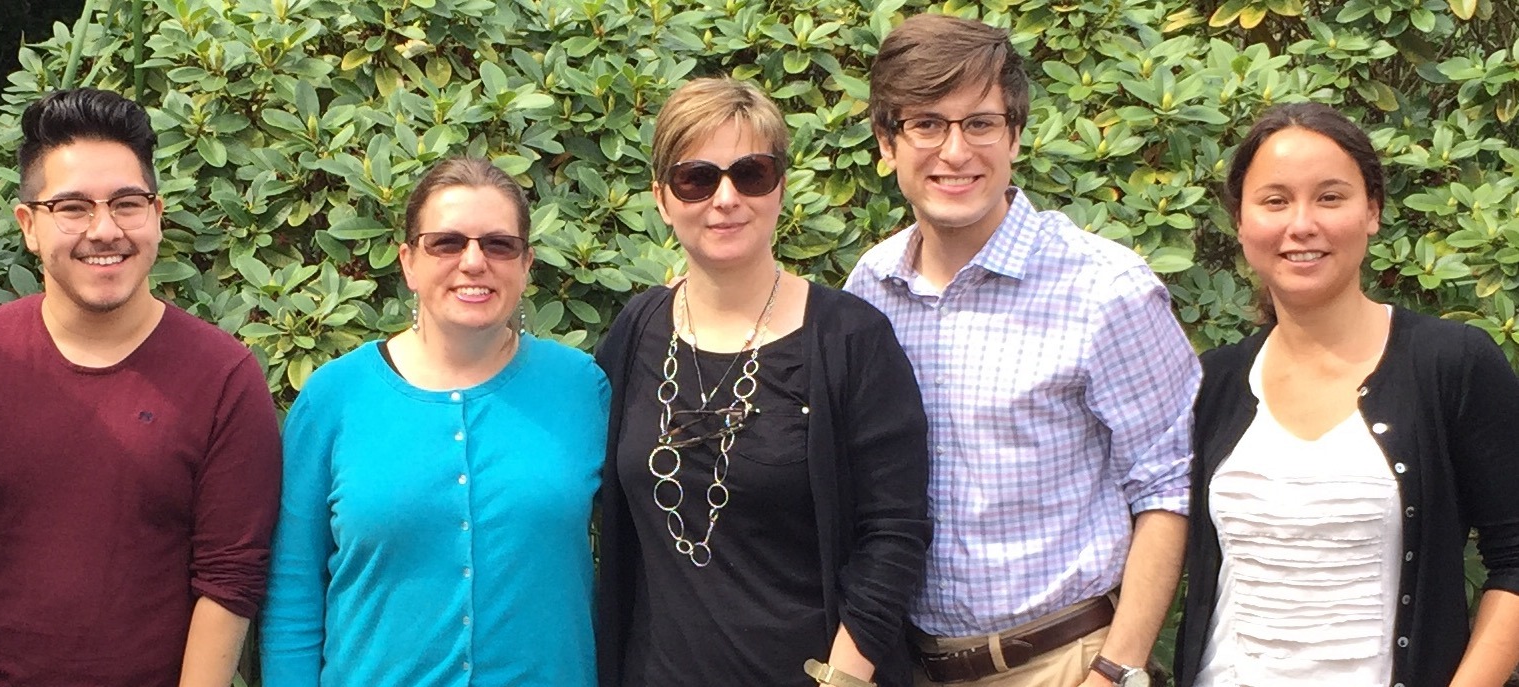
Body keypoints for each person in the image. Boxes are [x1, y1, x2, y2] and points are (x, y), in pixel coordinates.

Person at [843, 14, 1200, 687]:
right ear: (886, 142)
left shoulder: (1104, 287)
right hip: (911, 664)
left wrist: (1113, 670)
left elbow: (1169, 484)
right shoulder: (869, 288)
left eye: (978, 123)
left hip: (1062, 663)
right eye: (926, 123)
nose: (954, 152)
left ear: (1013, 135)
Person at [0, 88, 283, 687]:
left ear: (157, 214)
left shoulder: (223, 376)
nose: (105, 230)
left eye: (127, 203)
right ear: (28, 225)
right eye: (72, 207)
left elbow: (229, 581)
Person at [596, 76, 932, 687]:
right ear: (662, 198)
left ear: (780, 188)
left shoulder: (851, 339)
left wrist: (845, 677)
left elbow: (894, 532)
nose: (725, 198)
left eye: (750, 173)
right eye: (696, 178)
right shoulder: (636, 331)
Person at [1173, 102, 1519, 687]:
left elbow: (1514, 555)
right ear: (1241, 220)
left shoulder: (1451, 363)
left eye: (1330, 197)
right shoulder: (1214, 382)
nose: (1301, 224)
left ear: (1373, 212)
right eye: (1275, 200)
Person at [261, 157, 609, 686]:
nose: (474, 262)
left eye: (499, 244)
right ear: (408, 262)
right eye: (447, 243)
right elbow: (293, 592)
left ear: (526, 264)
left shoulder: (581, 387)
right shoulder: (334, 397)